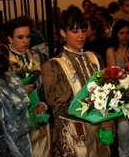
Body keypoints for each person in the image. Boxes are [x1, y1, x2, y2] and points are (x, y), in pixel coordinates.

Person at [41, 10, 113, 156]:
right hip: (72, 132)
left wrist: (109, 116)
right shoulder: (53, 65)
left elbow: (107, 91)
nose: (80, 35)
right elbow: (57, 104)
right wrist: (92, 113)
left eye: (83, 30)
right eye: (74, 31)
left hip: (98, 129)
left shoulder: (95, 58)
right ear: (63, 32)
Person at [5, 17, 51, 156]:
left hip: (37, 113)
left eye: (28, 37)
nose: (25, 41)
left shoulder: (37, 56)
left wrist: (43, 104)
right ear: (10, 38)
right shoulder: (3, 59)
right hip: (15, 118)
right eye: (20, 37)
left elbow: (46, 85)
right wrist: (19, 91)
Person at [106, 19, 129, 157]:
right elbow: (114, 75)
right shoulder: (111, 51)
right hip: (119, 95)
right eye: (121, 33)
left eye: (127, 33)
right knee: (123, 131)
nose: (125, 36)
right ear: (116, 34)